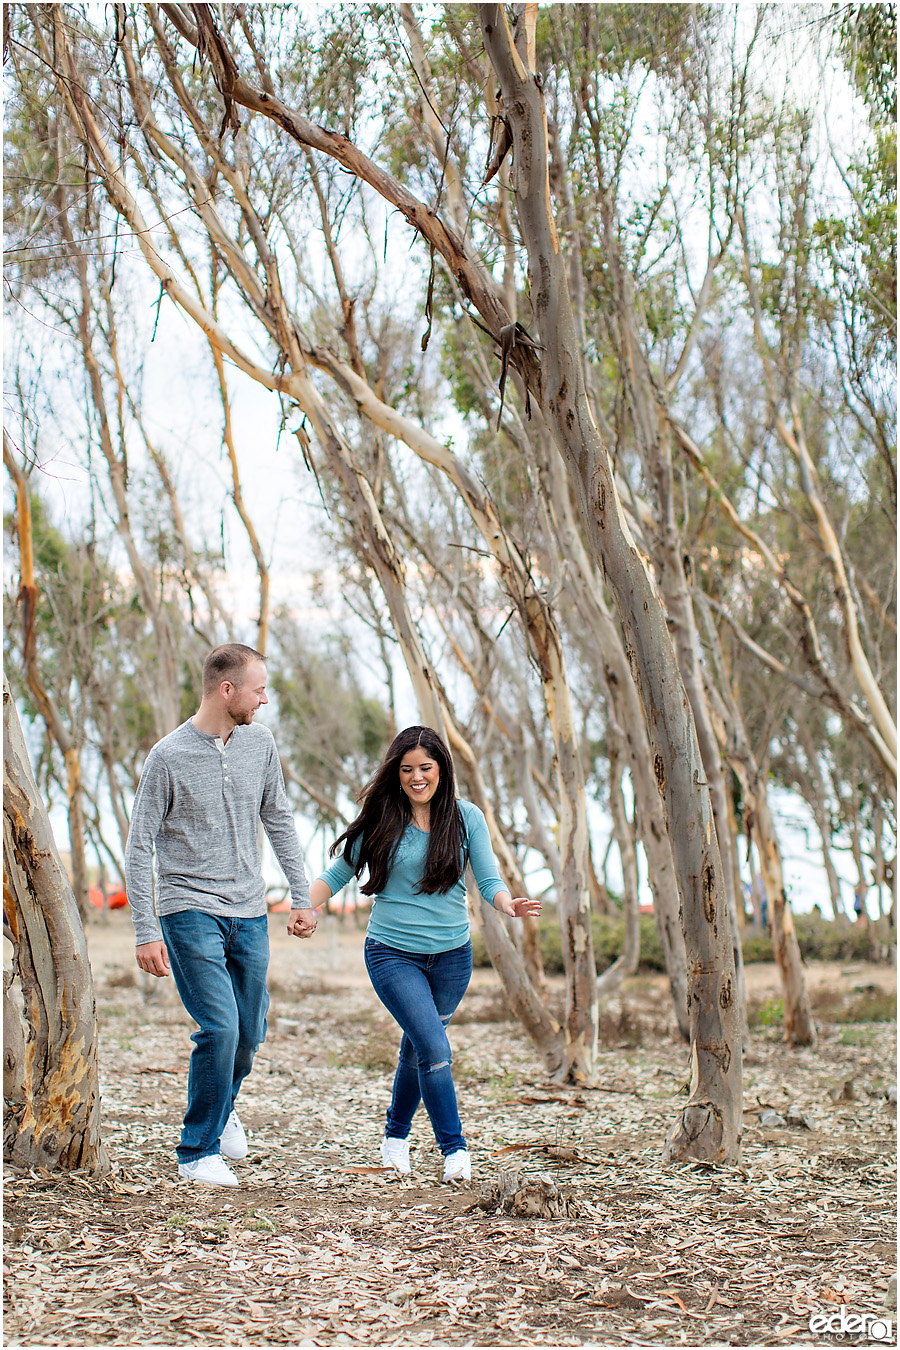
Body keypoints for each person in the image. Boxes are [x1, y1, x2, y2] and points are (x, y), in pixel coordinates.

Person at [288, 725, 540, 1182]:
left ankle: (394, 1138)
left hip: (452, 958)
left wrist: (508, 904)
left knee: (417, 1048)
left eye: (425, 767)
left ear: (442, 768)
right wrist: (304, 904)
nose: (417, 777)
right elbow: (339, 872)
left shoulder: (466, 818)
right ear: (396, 773)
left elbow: (488, 880)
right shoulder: (383, 815)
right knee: (435, 1048)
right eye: (407, 770)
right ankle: (455, 1150)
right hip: (391, 953)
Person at [125, 643, 317, 1187]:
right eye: (258, 689)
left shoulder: (260, 743)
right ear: (226, 690)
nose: (264, 698)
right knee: (221, 1027)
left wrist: (301, 896)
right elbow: (140, 848)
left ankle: (221, 1103)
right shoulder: (167, 756)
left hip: (249, 908)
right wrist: (145, 930)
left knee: (250, 1031)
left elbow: (278, 818)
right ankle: (197, 1151)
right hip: (188, 907)